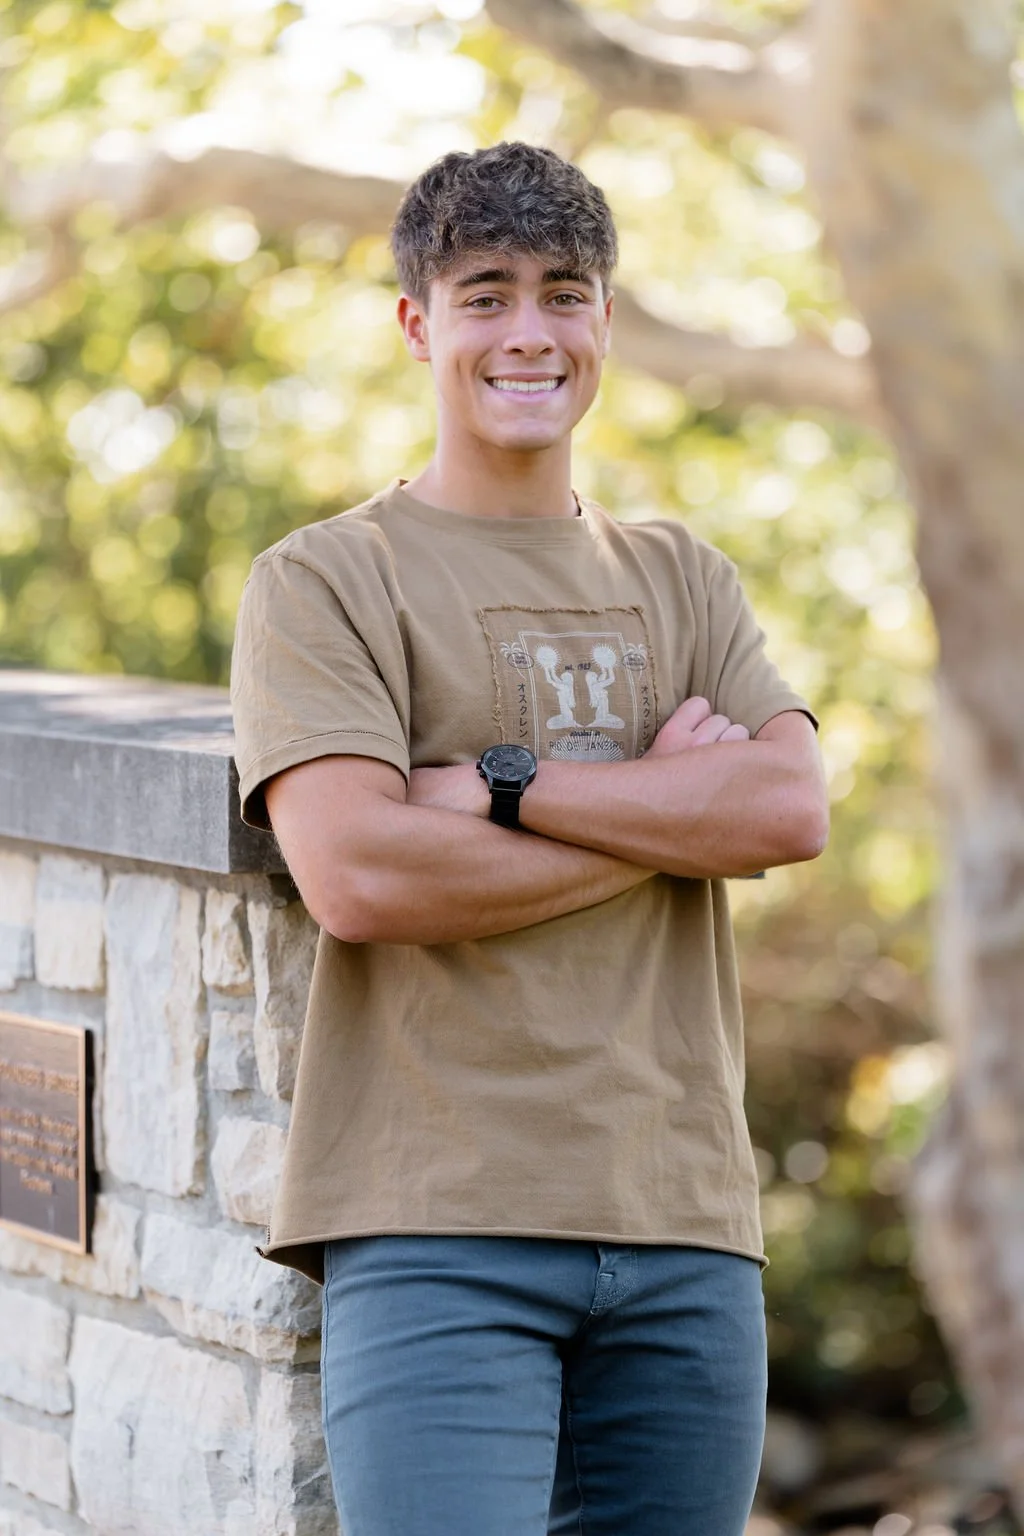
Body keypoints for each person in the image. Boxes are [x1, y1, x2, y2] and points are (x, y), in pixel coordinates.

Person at [230, 140, 828, 1536]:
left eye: (565, 292)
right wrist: (674, 821)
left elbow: (787, 808)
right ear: (417, 324)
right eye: (485, 292)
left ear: (604, 321)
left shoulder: (682, 576)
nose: (528, 332)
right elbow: (363, 873)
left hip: (684, 1218)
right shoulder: (327, 581)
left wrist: (499, 784)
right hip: (439, 1223)